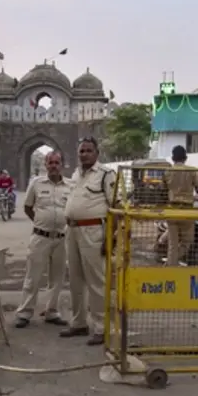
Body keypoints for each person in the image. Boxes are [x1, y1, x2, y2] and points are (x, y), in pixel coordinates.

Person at [61, 137, 116, 346]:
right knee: (75, 279)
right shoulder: (76, 174)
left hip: (93, 231)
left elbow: (117, 207)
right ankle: (79, 323)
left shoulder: (105, 175)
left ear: (97, 153)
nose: (83, 154)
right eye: (81, 151)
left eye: (88, 150)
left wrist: (110, 237)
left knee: (96, 281)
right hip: (72, 230)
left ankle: (102, 328)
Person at [14, 151, 71, 328]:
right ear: (46, 165)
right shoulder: (36, 184)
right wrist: (41, 223)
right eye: (50, 163)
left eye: (57, 162)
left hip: (62, 238)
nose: (54, 166)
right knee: (33, 276)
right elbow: (28, 207)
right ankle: (24, 312)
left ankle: (52, 312)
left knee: (57, 278)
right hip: (40, 237)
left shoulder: (70, 185)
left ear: (62, 165)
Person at [162, 146, 198, 266]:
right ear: (185, 158)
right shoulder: (192, 171)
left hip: (172, 210)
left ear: (172, 158)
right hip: (187, 211)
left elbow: (163, 191)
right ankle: (171, 263)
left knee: (172, 244)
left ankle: (170, 264)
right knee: (187, 241)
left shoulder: (167, 172)